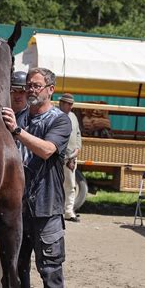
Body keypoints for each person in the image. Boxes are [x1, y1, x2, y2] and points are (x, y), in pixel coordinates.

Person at [2, 67, 71, 288]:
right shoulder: (20, 117)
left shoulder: (60, 120)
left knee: (50, 271)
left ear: (50, 90)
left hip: (46, 208)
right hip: (18, 209)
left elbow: (48, 150)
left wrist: (17, 131)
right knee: (17, 269)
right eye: (28, 85)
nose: (31, 90)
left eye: (36, 86)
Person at [0, 71, 28, 288]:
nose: (18, 95)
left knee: (24, 256)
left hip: (28, 196)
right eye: (13, 90)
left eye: (22, 90)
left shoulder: (33, 117)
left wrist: (17, 130)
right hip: (1, 198)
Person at [59, 93, 82, 222]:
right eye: (68, 103)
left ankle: (69, 211)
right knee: (56, 185)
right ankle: (57, 211)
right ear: (62, 103)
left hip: (71, 157)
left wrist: (77, 148)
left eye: (71, 104)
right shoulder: (55, 115)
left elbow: (78, 133)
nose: (70, 106)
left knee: (70, 184)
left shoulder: (73, 116)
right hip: (58, 157)